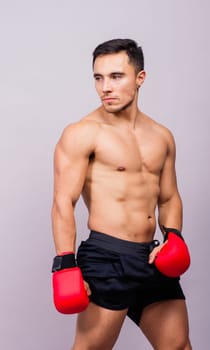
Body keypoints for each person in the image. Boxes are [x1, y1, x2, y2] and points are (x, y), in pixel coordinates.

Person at [51, 38, 192, 350]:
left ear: (139, 78)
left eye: (116, 77)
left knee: (178, 346)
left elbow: (168, 197)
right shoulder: (82, 133)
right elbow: (63, 200)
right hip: (107, 259)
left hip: (152, 259)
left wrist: (174, 236)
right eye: (98, 78)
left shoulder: (161, 136)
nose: (105, 87)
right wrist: (65, 261)